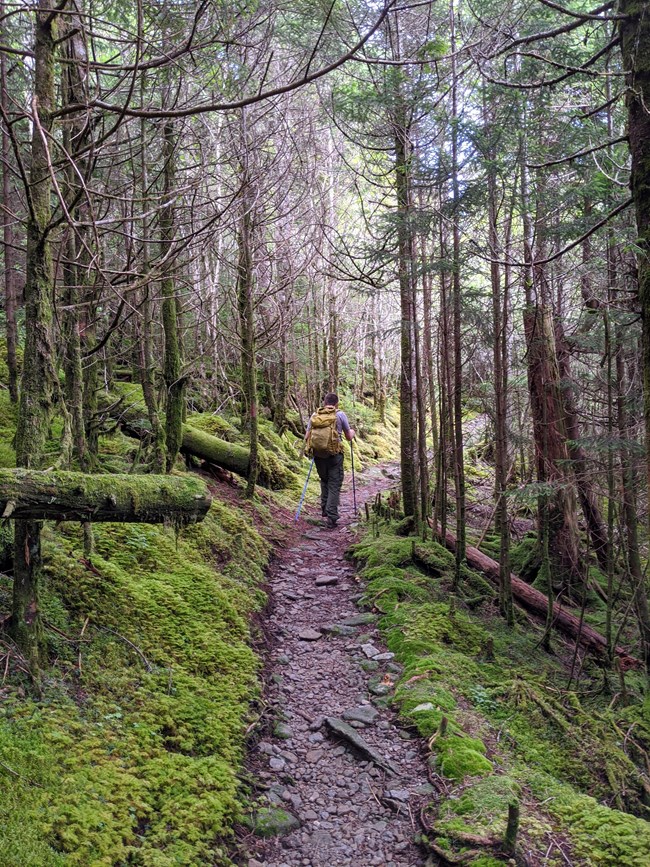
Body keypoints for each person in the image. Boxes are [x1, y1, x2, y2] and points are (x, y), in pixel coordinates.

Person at [305, 393, 355, 529]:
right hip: (335, 455)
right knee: (334, 483)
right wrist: (353, 432)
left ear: (324, 402)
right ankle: (332, 516)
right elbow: (349, 437)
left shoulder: (315, 416)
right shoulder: (340, 415)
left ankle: (325, 510)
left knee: (324, 480)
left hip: (318, 455)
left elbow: (307, 436)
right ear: (336, 403)